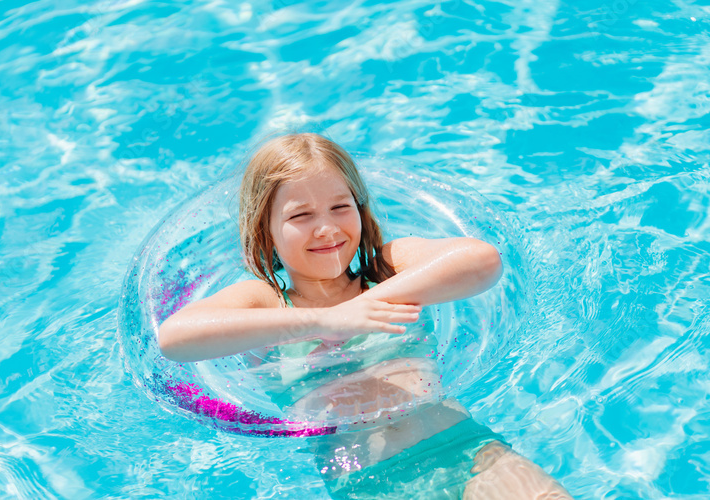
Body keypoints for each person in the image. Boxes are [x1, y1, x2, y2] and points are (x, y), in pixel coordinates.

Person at [158, 133, 572, 499]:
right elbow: (176, 337)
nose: (326, 229)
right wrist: (321, 323)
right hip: (368, 483)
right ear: (265, 229)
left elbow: (482, 260)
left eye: (340, 207)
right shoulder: (266, 301)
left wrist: (356, 307)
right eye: (301, 216)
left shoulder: (385, 269)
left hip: (467, 450)